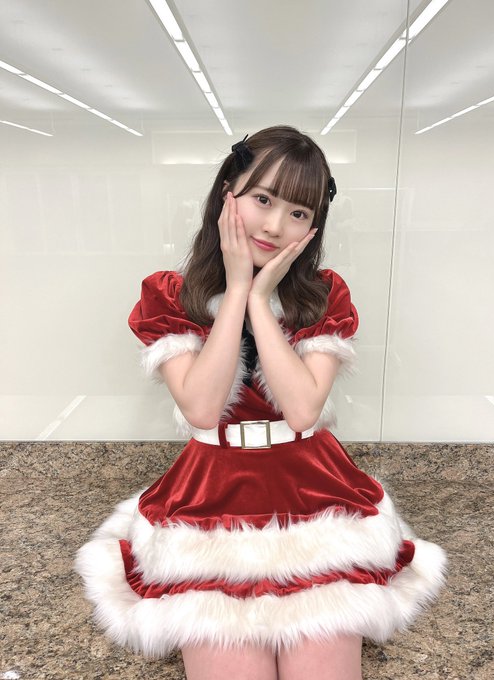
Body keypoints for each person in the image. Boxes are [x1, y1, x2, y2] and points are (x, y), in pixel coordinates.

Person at [74, 125, 447, 680]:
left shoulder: (324, 294)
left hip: (316, 496)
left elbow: (302, 410)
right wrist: (235, 290)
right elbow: (202, 409)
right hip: (209, 501)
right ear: (228, 193)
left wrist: (262, 300)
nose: (275, 225)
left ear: (314, 225)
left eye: (298, 212)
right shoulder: (170, 295)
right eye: (263, 199)